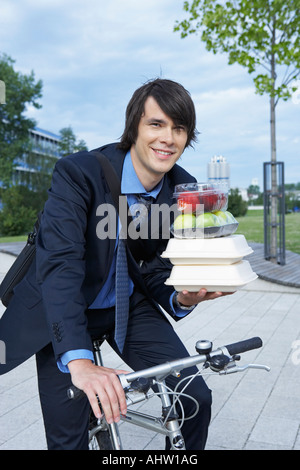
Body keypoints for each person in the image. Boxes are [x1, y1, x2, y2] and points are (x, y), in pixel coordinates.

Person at [0, 78, 230, 450]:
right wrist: (80, 363)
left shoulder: (181, 189)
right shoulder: (79, 173)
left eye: (179, 128)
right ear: (134, 128)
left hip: (126, 305)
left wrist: (183, 298)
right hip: (63, 305)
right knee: (67, 437)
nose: (168, 138)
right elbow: (60, 266)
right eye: (156, 124)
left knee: (194, 398)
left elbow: (156, 265)